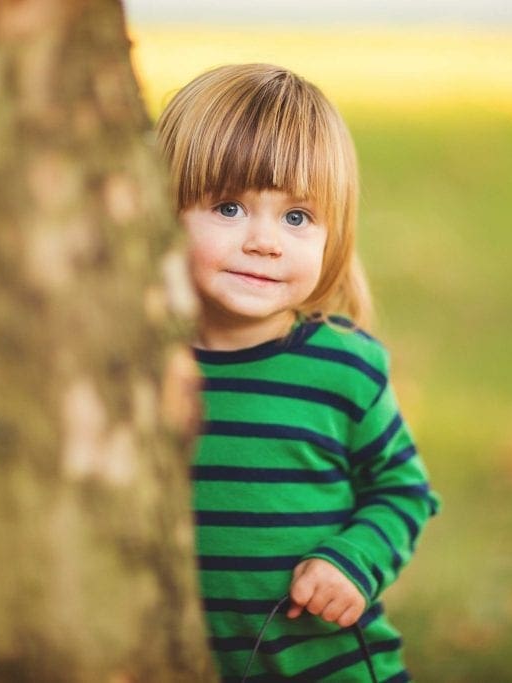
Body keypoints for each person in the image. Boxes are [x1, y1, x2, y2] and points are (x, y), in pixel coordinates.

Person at [156, 63, 439, 682]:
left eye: (296, 217)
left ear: (333, 233)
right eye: (229, 207)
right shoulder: (137, 367)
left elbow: (404, 490)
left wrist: (351, 562)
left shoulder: (342, 369)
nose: (265, 241)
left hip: (327, 668)